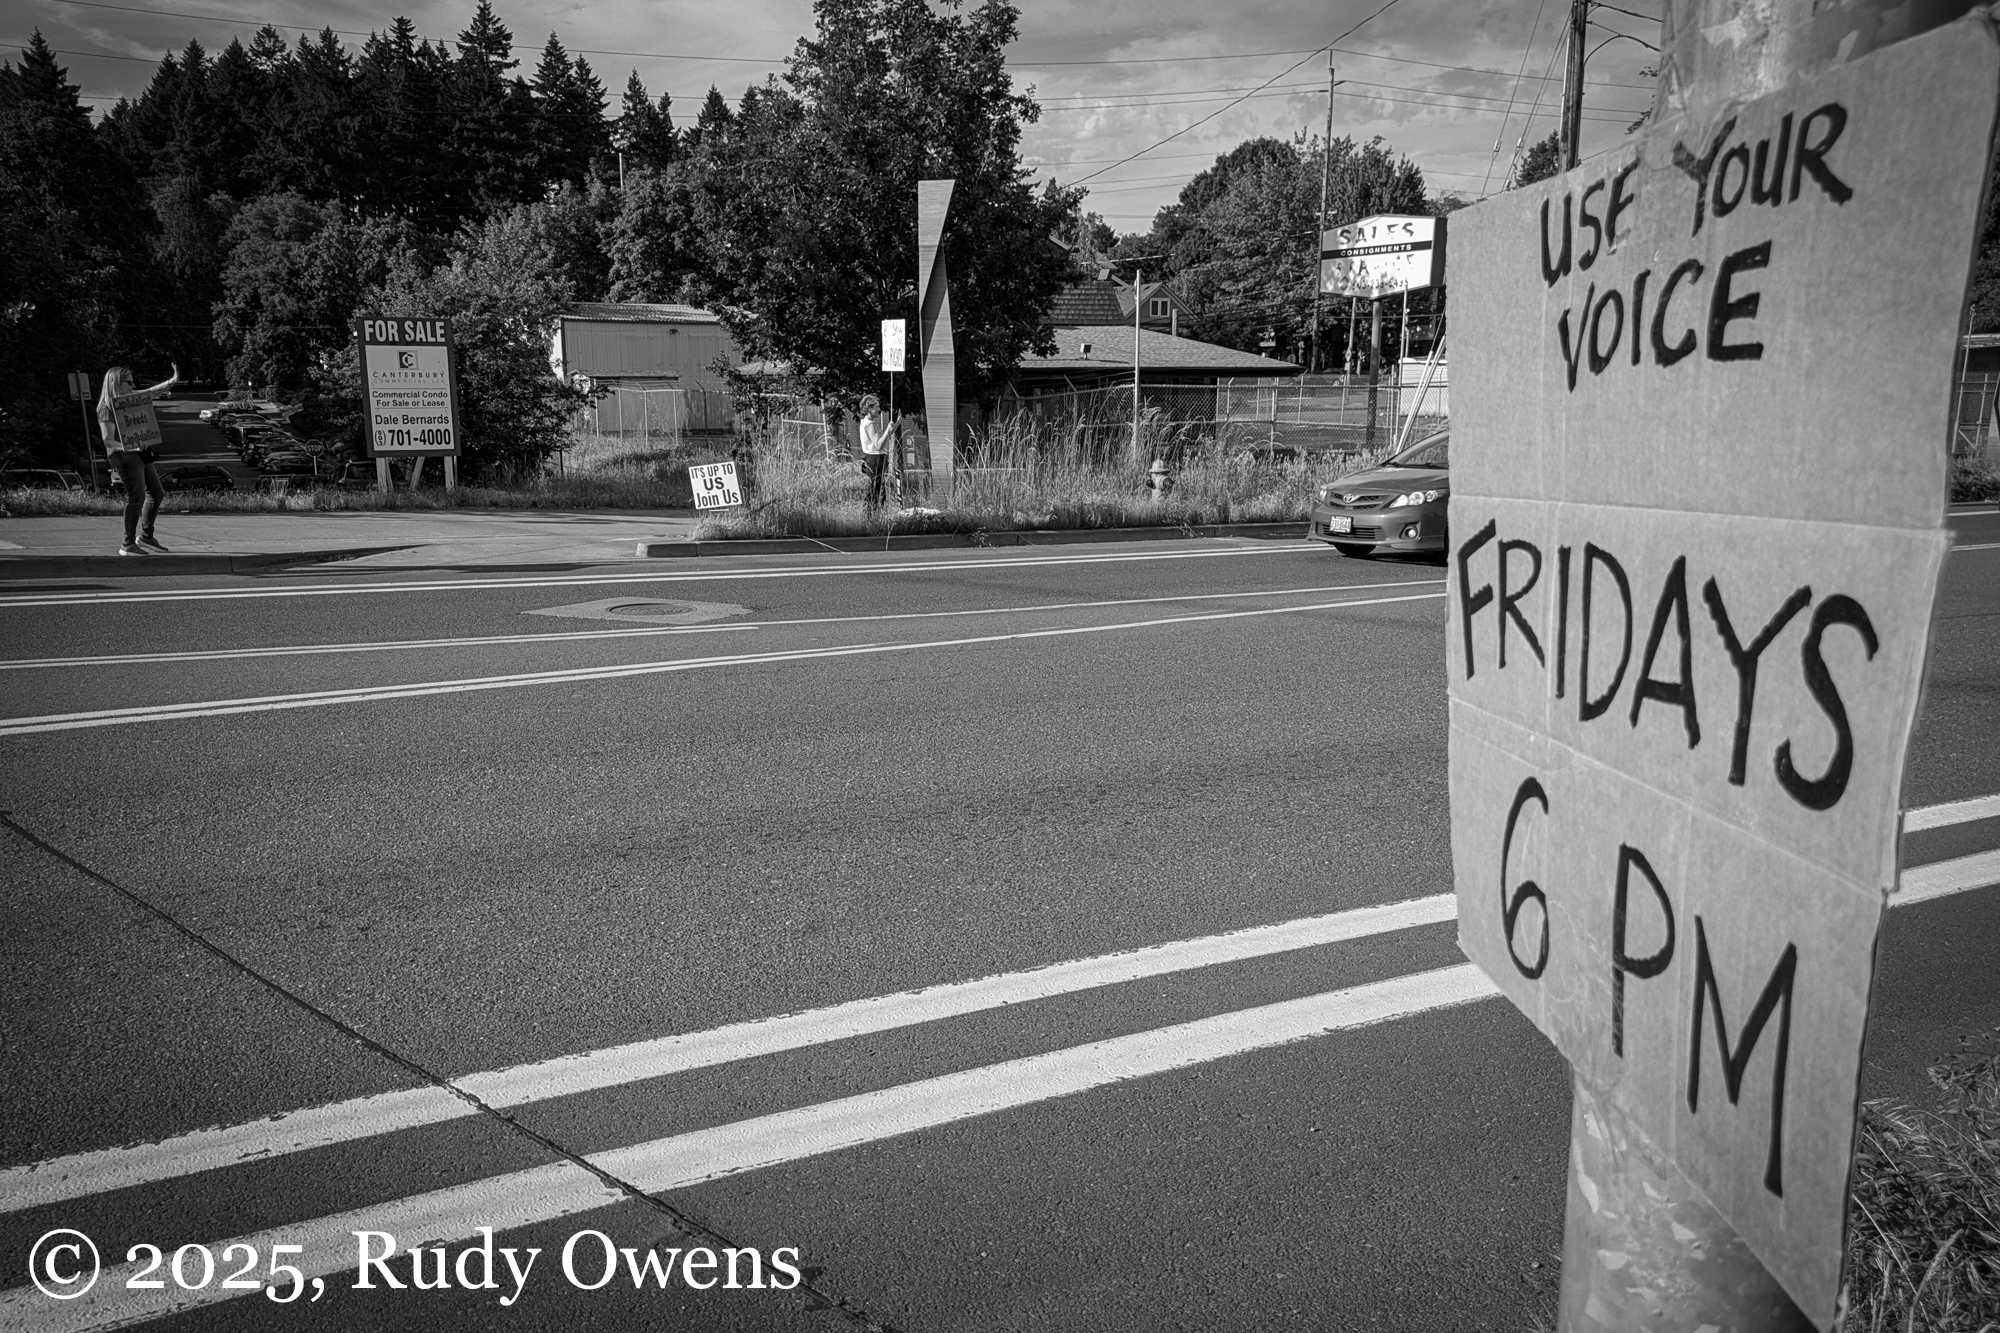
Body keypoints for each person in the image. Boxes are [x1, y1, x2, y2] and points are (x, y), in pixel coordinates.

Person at [96, 363, 178, 554]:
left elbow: (150, 392)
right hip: (123, 455)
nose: (133, 386)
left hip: (137, 452)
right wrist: (129, 445)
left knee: (156, 492)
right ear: (116, 383)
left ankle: (146, 537)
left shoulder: (129, 400)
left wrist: (171, 381)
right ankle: (128, 544)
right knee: (137, 497)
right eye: (129, 382)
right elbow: (108, 440)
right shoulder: (106, 407)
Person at [858, 394, 892, 506]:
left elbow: (884, 438)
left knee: (878, 488)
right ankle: (871, 513)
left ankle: (873, 513)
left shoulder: (865, 422)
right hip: (876, 459)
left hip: (872, 458)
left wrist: (894, 426)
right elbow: (879, 445)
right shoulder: (870, 424)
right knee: (876, 490)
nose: (879, 409)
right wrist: (887, 430)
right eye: (876, 407)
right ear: (869, 408)